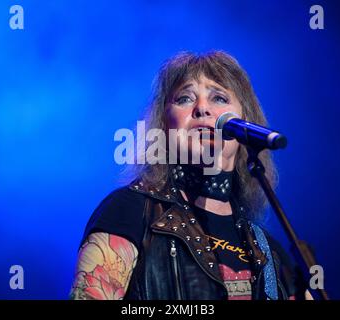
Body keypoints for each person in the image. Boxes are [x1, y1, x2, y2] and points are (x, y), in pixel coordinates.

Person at [69, 51, 305, 300]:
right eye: (184, 98)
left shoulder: (269, 253)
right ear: (164, 125)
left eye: (219, 98)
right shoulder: (130, 211)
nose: (202, 108)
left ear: (246, 120)